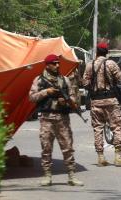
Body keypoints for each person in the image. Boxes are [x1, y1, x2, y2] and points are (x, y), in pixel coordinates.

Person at [29, 54, 84, 186]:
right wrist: (46, 92)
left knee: (68, 147)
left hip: (62, 119)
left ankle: (71, 176)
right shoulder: (39, 80)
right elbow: (31, 97)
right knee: (46, 148)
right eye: (54, 63)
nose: (57, 65)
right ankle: (47, 176)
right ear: (47, 65)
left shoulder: (65, 80)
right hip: (46, 119)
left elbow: (74, 100)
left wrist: (65, 101)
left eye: (58, 63)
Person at [82, 43, 121, 167]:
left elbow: (85, 83)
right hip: (111, 100)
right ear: (106, 53)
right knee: (117, 127)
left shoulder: (90, 65)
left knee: (98, 129)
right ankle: (118, 156)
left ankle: (100, 157)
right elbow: (120, 81)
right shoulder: (111, 64)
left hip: (96, 102)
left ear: (96, 52)